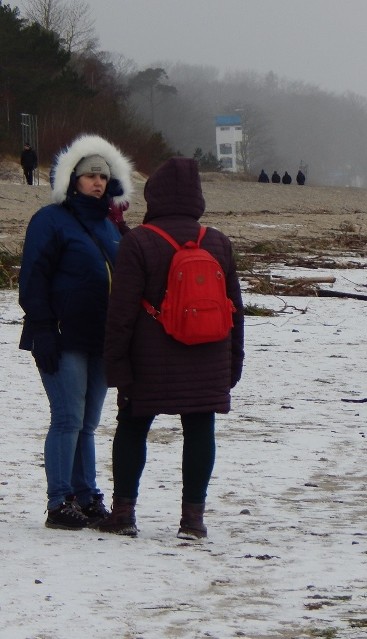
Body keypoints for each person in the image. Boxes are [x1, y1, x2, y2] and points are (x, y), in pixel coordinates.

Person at [99, 157, 244, 539]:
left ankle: (124, 514)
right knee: (200, 429)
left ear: (154, 196)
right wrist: (234, 361)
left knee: (131, 427)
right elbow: (235, 310)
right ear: (197, 198)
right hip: (209, 355)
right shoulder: (216, 241)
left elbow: (122, 312)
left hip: (148, 358)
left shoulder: (139, 241)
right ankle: (193, 520)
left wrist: (116, 365)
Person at [18, 133, 134, 530]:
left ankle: (86, 496)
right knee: (67, 418)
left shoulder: (112, 225)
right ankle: (59, 499)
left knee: (88, 422)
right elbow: (33, 278)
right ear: (72, 179)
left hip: (102, 338)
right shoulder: (49, 220)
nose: (97, 182)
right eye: (89, 176)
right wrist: (43, 328)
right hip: (61, 336)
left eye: (103, 176)